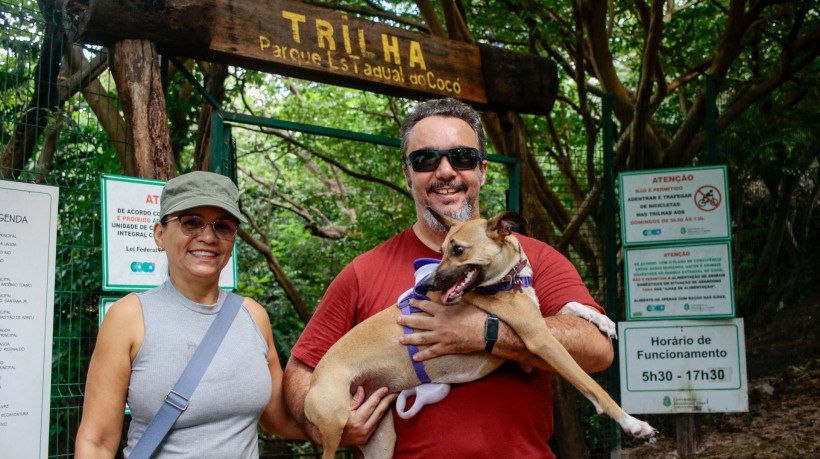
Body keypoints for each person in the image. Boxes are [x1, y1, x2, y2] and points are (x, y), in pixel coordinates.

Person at [283, 98, 614, 458]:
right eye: (426, 160)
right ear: (407, 174)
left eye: (462, 157)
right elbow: (303, 368)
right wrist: (322, 424)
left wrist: (486, 333)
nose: (445, 171)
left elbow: (597, 350)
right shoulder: (363, 272)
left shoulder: (531, 259)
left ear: (483, 170)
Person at [76, 171, 303, 458]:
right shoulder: (129, 317)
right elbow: (95, 443)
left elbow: (277, 418)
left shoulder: (253, 316)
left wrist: (350, 428)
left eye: (222, 226)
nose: (207, 236)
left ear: (233, 238)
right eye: (191, 222)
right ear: (160, 234)